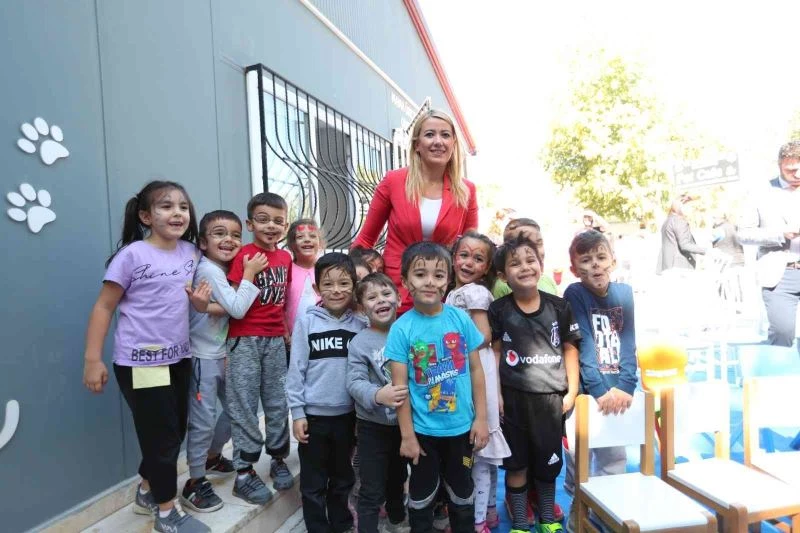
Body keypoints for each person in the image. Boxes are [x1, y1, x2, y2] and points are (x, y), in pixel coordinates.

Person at [82, 180, 213, 533]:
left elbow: (202, 295)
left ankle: (146, 489)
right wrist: (92, 359)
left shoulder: (191, 252)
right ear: (145, 216)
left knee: (174, 432)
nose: (177, 213)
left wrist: (204, 304)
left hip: (179, 358)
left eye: (183, 207)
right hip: (142, 362)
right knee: (161, 437)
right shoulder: (132, 256)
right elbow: (104, 306)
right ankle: (167, 513)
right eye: (166, 206)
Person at [387, 241, 489, 533]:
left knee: (462, 494)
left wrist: (482, 419)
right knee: (421, 496)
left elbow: (476, 370)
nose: (430, 282)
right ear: (406, 281)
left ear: (448, 280)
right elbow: (399, 388)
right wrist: (407, 436)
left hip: (461, 430)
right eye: (420, 274)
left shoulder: (460, 319)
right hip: (423, 434)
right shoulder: (401, 329)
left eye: (439, 275)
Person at [488, 236, 581, 533]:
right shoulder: (499, 310)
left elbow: (570, 349)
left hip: (550, 401)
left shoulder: (559, 307)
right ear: (503, 275)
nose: (525, 267)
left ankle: (548, 520)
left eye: (531, 261)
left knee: (548, 465)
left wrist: (572, 391)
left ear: (541, 265)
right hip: (513, 401)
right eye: (515, 264)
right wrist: (497, 395)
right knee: (516, 465)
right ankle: (519, 523)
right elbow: (496, 352)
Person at [182, 210, 268, 513]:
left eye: (234, 235)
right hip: (202, 358)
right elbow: (238, 308)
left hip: (223, 353)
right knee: (203, 422)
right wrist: (249, 275)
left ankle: (212, 457)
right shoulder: (209, 270)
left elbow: (228, 307)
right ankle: (195, 481)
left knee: (236, 412)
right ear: (203, 242)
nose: (229, 240)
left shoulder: (224, 269)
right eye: (219, 233)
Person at [352, 109, 479, 313]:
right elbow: (365, 240)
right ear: (417, 144)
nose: (438, 141)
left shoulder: (467, 190)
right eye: (430, 134)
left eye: (445, 135)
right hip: (394, 292)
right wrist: (351, 281)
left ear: (453, 143)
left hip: (442, 293)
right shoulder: (393, 181)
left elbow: (471, 247)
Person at [562, 230, 638, 532]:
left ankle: (605, 515)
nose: (595, 264)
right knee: (578, 460)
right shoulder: (575, 293)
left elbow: (629, 340)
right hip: (586, 394)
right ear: (574, 269)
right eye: (586, 260)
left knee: (614, 458)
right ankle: (577, 513)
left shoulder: (625, 293)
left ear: (613, 261)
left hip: (617, 393)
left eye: (601, 257)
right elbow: (584, 342)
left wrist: (627, 384)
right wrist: (597, 390)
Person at [287, 253, 366, 533]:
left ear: (354, 286)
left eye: (344, 283)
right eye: (328, 284)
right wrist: (297, 413)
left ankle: (342, 524)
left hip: (348, 417)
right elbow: (296, 370)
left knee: (343, 477)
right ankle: (317, 527)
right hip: (314, 418)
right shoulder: (307, 322)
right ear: (316, 288)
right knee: (313, 482)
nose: (336, 290)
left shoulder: (360, 325)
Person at [226, 192, 294, 505]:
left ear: (285, 226)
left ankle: (278, 458)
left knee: (278, 400)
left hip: (276, 340)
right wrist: (248, 271)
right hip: (245, 339)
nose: (271, 226)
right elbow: (233, 299)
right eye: (263, 220)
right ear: (250, 223)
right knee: (244, 402)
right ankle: (243, 471)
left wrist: (285, 331)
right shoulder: (243, 255)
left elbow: (282, 301)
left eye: (278, 221)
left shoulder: (286, 258)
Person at [445, 232, 511, 533]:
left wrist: (450, 346)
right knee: (483, 454)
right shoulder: (455, 292)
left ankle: (478, 521)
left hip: (475, 372)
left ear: (486, 268)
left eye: (478, 258)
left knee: (479, 455)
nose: (468, 262)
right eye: (464, 255)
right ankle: (490, 512)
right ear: (453, 258)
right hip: (468, 370)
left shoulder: (474, 293)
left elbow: (484, 336)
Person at [347, 272, 410, 533]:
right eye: (372, 297)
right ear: (362, 308)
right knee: (371, 487)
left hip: (407, 425)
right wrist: (377, 395)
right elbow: (354, 381)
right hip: (373, 427)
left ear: (398, 298)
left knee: (398, 477)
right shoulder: (360, 342)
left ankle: (396, 520)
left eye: (386, 294)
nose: (381, 300)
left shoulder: (409, 331)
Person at [738, 141, 800, 349]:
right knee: (783, 333)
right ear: (780, 164)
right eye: (791, 170)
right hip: (781, 276)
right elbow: (743, 233)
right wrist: (781, 234)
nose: (798, 174)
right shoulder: (760, 192)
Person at [493, 218, 559, 298]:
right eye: (526, 244)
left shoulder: (547, 280)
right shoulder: (503, 286)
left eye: (539, 243)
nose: (535, 250)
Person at [285, 218, 324, 336]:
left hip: (321, 336)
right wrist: (284, 330)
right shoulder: (286, 270)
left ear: (320, 242)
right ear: (292, 244)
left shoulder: (325, 270)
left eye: (312, 236)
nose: (307, 240)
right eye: (300, 237)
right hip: (293, 336)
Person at [656, 195, 707, 273]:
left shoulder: (668, 220)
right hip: (680, 267)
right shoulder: (680, 221)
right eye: (692, 208)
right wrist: (707, 251)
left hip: (668, 266)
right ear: (681, 206)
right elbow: (684, 245)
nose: (693, 211)